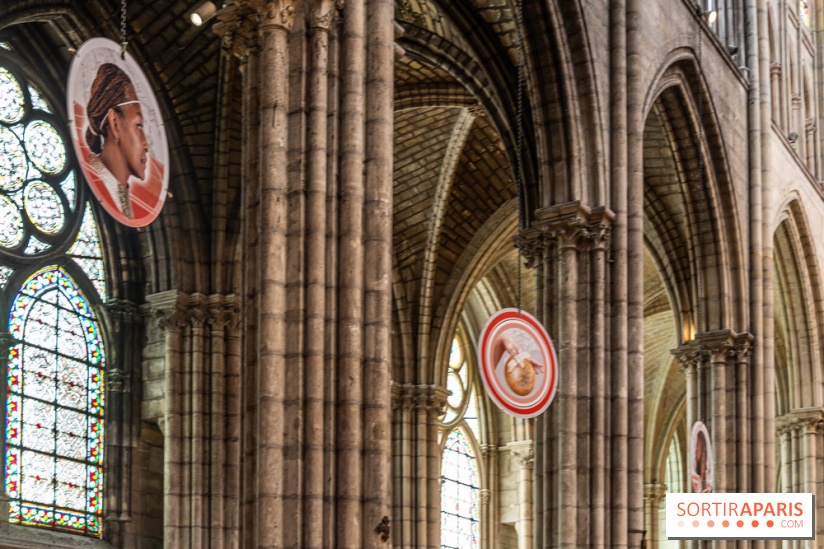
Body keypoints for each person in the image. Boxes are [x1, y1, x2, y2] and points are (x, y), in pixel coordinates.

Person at [84, 63, 149, 220]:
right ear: (115, 123)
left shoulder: (124, 202)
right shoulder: (90, 178)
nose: (146, 145)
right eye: (138, 126)